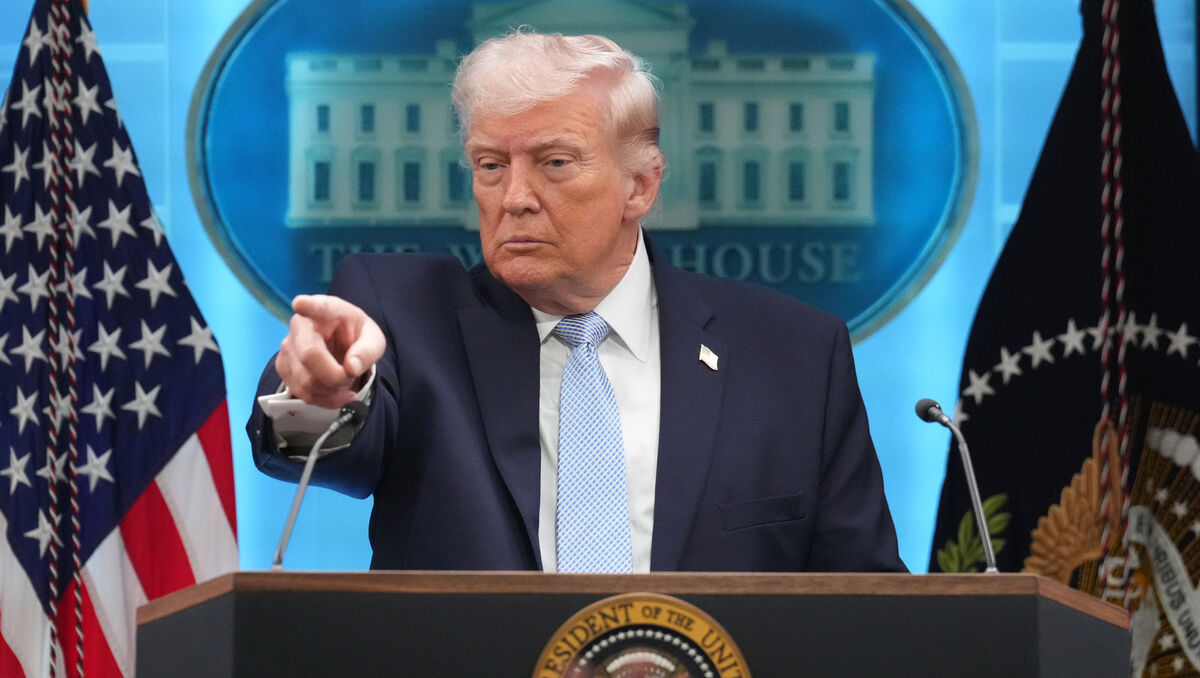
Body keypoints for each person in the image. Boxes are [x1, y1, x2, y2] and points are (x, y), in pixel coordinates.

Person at [247, 30, 905, 573]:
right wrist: (321, 392)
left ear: (641, 187)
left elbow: (867, 613)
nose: (514, 198)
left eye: (555, 162)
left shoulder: (792, 357)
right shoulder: (402, 316)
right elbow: (318, 445)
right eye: (490, 165)